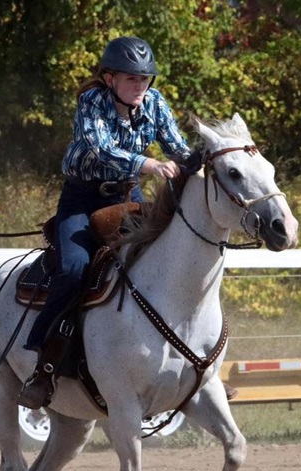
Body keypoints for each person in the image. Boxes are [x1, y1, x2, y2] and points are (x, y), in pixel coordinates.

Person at [18, 36, 193, 409]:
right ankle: (43, 366)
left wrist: (211, 163)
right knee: (74, 269)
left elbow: (179, 147)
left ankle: (193, 370)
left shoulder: (155, 104)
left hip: (128, 197)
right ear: (110, 78)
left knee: (166, 264)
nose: (139, 87)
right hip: (82, 198)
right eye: (131, 80)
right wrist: (149, 164)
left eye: (145, 80)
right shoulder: (91, 101)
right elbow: (100, 148)